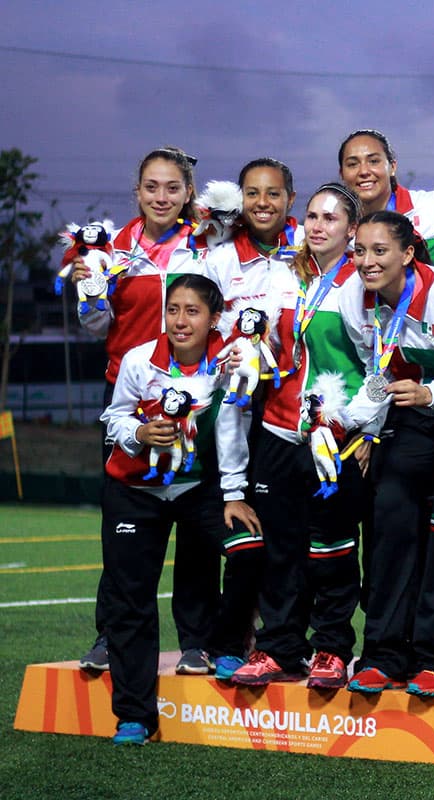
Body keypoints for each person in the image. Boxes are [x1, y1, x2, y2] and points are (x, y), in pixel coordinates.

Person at [75, 146, 218, 678]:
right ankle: (112, 634)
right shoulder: (110, 249)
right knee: (125, 523)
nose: (162, 196)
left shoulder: (206, 244)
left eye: (173, 188)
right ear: (137, 192)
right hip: (129, 395)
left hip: (198, 395)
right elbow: (94, 326)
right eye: (152, 187)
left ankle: (198, 641)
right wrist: (90, 298)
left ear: (188, 194)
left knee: (200, 526)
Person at [337, 210, 434, 697]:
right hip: (410, 419)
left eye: (379, 251)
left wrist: (431, 395)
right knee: (390, 523)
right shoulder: (351, 297)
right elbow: (376, 370)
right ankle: (384, 653)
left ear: (407, 253)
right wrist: (355, 425)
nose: (367, 261)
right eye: (360, 250)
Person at [100, 274, 258, 744]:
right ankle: (135, 716)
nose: (180, 320)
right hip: (134, 491)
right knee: (131, 601)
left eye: (192, 311)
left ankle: (228, 645)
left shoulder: (228, 363)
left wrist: (233, 493)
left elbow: (230, 429)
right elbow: (114, 418)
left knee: (249, 548)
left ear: (214, 319)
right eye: (173, 310)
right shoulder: (139, 360)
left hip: (199, 491)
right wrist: (139, 434)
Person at [229, 183, 373, 691]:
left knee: (332, 547)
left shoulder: (364, 284)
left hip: (334, 438)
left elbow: (380, 364)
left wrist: (368, 430)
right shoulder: (281, 277)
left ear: (351, 229)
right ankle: (279, 647)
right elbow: (258, 338)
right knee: (282, 547)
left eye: (331, 218)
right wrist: (243, 351)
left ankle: (332, 648)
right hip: (277, 429)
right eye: (312, 215)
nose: (317, 225)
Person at [338, 129, 434, 267]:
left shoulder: (429, 206)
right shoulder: (336, 229)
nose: (364, 171)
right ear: (342, 173)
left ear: (392, 167)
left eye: (374, 161)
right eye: (353, 164)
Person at [207, 158, 301, 339]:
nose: (262, 202)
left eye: (273, 194)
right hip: (241, 365)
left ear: (290, 199)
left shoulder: (311, 245)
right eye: (252, 194)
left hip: (304, 366)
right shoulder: (219, 260)